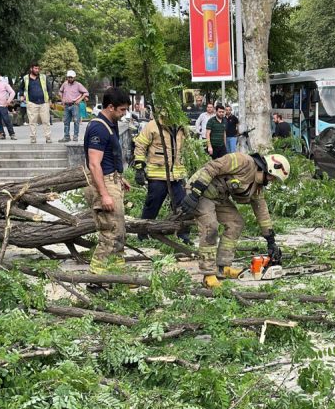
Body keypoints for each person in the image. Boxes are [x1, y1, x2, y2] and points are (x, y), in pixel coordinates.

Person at [180, 152, 290, 288]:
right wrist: (195, 193)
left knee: (236, 223)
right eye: (272, 177)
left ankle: (223, 266)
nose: (271, 181)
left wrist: (270, 240)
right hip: (200, 192)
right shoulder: (242, 161)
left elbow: (261, 210)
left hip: (218, 197)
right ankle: (208, 274)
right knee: (211, 227)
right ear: (269, 169)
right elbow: (213, 167)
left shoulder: (256, 186)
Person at [83, 87, 131, 275]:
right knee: (110, 233)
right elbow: (94, 164)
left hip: (112, 180)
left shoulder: (110, 124)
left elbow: (109, 158)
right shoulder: (99, 128)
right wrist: (104, 194)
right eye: (122, 109)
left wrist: (119, 177)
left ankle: (118, 276)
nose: (124, 113)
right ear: (111, 107)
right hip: (103, 184)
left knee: (119, 232)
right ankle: (96, 278)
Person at [133, 114, 191, 245]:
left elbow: (187, 148)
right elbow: (140, 145)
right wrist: (139, 168)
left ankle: (183, 235)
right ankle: (143, 233)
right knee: (153, 204)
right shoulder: (152, 126)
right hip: (158, 174)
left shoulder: (182, 127)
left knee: (183, 205)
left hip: (177, 175)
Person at [19, 61, 51, 144]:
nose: (37, 70)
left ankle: (48, 137)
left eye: (38, 68)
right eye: (35, 68)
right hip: (31, 103)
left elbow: (49, 88)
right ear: (31, 69)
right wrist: (21, 95)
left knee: (46, 121)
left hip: (44, 102)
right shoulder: (26, 78)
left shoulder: (43, 77)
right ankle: (33, 138)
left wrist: (50, 99)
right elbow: (21, 88)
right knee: (32, 122)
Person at [59, 70, 89, 142]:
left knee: (76, 121)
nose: (70, 79)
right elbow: (60, 91)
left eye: (71, 77)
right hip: (66, 105)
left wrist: (80, 99)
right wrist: (62, 99)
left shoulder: (78, 85)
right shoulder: (65, 84)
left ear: (74, 77)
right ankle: (66, 136)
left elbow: (86, 93)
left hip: (74, 105)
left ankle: (75, 136)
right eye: (69, 77)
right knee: (66, 121)